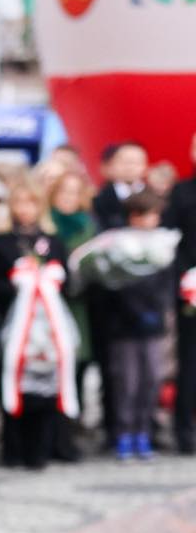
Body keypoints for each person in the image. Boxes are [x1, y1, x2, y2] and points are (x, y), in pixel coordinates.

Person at [0, 176, 76, 468]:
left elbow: (66, 281)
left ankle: (45, 447)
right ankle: (13, 448)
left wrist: (47, 281)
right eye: (19, 203)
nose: (25, 209)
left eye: (31, 203)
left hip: (48, 328)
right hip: (14, 326)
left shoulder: (53, 241)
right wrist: (20, 283)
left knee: (47, 387)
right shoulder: (1, 242)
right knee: (13, 382)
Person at [93, 190, 173, 460]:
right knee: (127, 381)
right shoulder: (118, 243)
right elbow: (117, 283)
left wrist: (158, 309)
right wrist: (135, 311)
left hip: (153, 325)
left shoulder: (162, 243)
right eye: (149, 215)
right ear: (134, 216)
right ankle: (123, 433)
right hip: (124, 326)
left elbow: (166, 281)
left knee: (151, 379)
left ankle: (144, 431)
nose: (154, 220)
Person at [162, 131, 196, 454]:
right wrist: (186, 279)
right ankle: (185, 432)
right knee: (190, 362)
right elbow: (170, 241)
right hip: (191, 289)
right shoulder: (182, 192)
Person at [92, 141, 147, 230]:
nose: (130, 167)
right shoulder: (99, 200)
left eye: (136, 162)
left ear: (145, 166)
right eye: (125, 162)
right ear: (112, 165)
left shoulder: (158, 196)